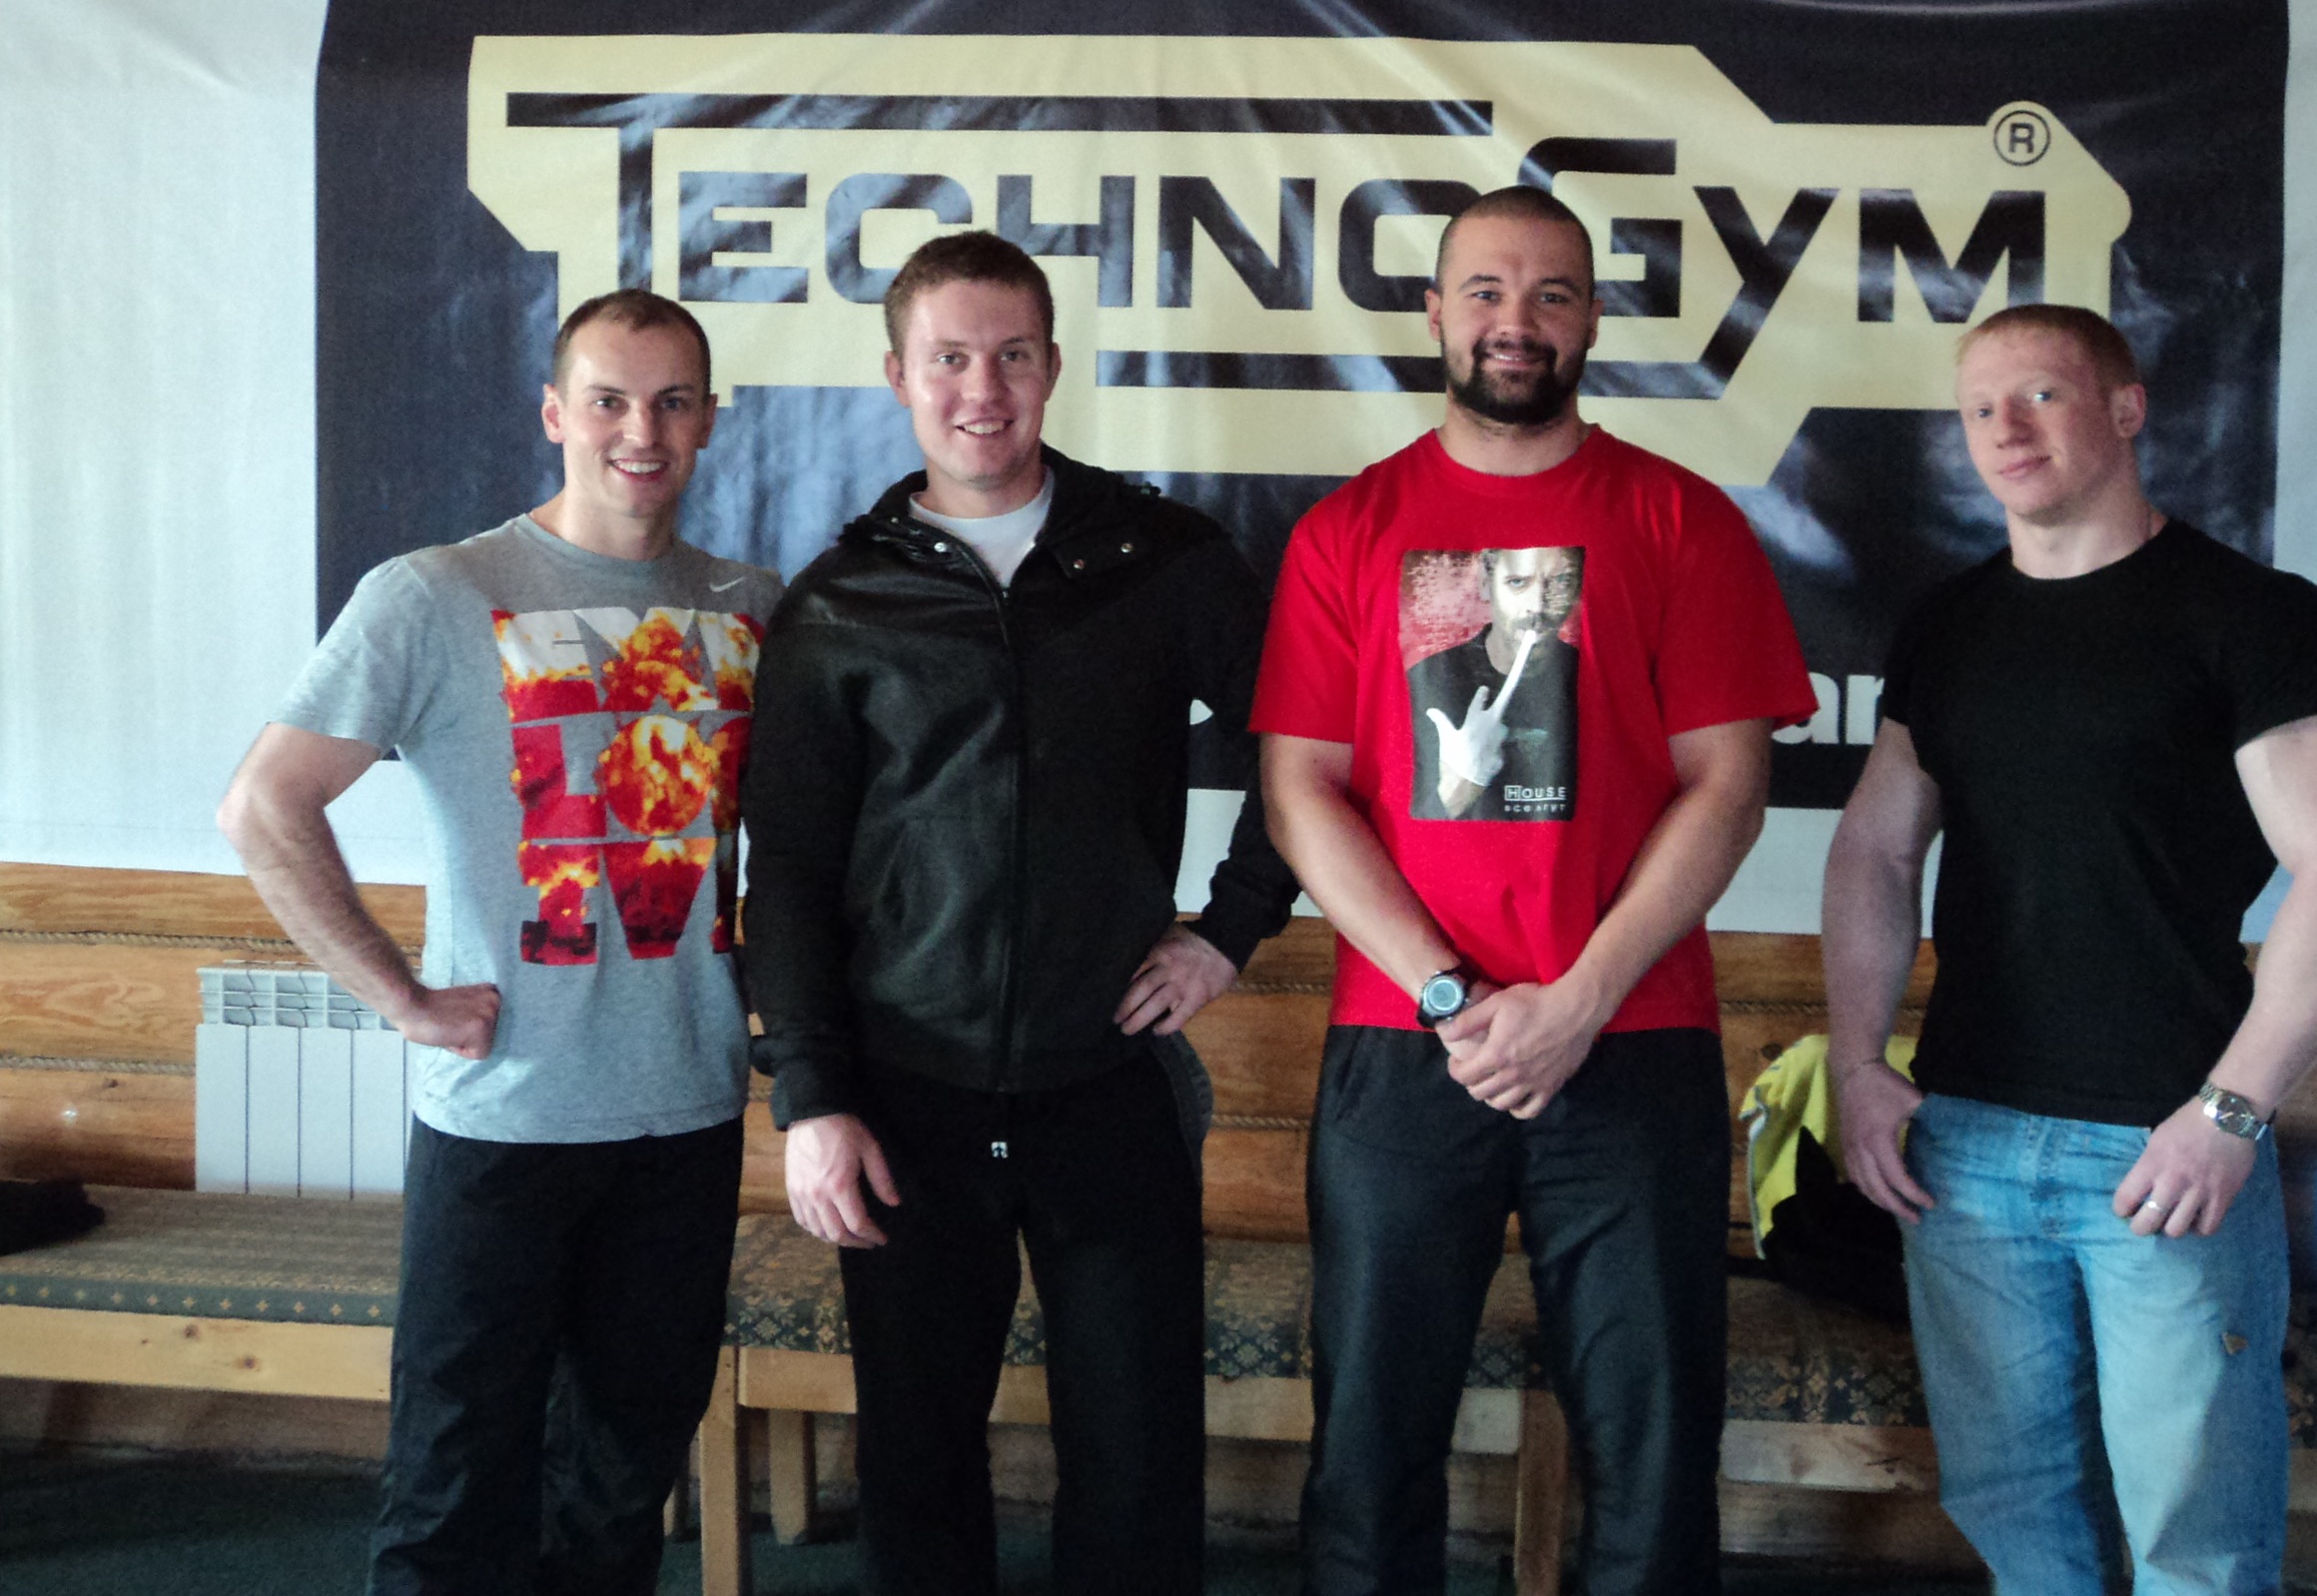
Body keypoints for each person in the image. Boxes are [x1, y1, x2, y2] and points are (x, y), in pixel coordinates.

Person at [1253, 185, 1815, 1596]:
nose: (1518, 320)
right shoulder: (1347, 532)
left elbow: (1727, 788)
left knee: (1652, 1449)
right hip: (1405, 1045)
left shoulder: (1680, 521)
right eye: (1487, 292)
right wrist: (1452, 995)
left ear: (1593, 322)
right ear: (1434, 315)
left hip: (1630, 1040)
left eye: (1553, 293)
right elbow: (1301, 793)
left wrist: (1576, 1002)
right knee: (1367, 1447)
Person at [739, 229, 1296, 1596]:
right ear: (897, 376)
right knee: (918, 1457)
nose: (979, 390)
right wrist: (811, 1097)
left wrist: (1227, 930)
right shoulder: (840, 602)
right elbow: (789, 866)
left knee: (1138, 1454)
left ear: (1051, 367)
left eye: (1010, 356)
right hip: (905, 1092)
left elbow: (1308, 751)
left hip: (1107, 1078)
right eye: (948, 359)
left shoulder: (1161, 559)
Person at [1822, 302, 2317, 1595]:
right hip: (1963, 1146)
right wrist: (1857, 1064)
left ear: (2127, 409)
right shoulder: (1950, 625)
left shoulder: (2255, 617)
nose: (2006, 429)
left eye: (2040, 395)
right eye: (1980, 408)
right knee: (2011, 1514)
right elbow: (1873, 850)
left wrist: (2232, 1111)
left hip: (2163, 1150)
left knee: (2197, 1544)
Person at [217, 289, 780, 1596]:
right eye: (608, 399)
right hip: (505, 1119)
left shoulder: (754, 606)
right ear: (552, 414)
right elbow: (263, 804)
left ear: (709, 421)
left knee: (623, 1484)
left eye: (671, 402)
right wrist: (399, 997)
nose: (640, 431)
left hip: (686, 1115)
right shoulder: (434, 594)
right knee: (456, 1484)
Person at [1406, 544, 1583, 821]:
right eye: (1517, 582)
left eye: (1561, 581)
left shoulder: (1597, 679)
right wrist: (1462, 781)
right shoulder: (1427, 678)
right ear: (1486, 585)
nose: (1538, 606)